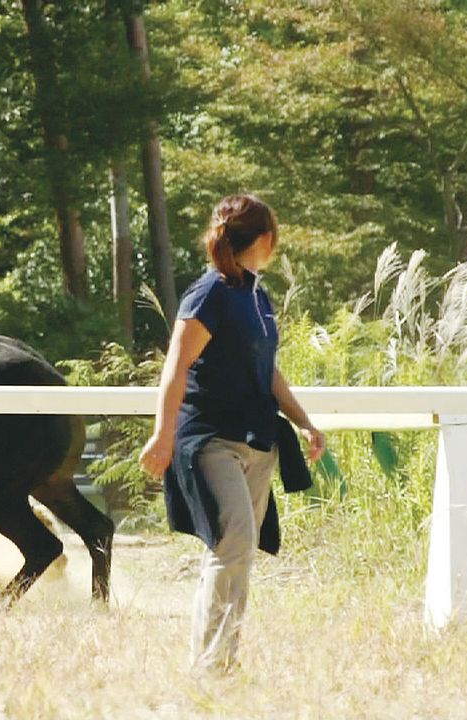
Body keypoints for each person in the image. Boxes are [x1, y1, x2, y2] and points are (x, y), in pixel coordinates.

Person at [139, 193, 325, 672]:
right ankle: (208, 665)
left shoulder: (256, 294)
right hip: (210, 439)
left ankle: (224, 662)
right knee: (234, 541)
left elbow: (268, 371)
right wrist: (163, 436)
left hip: (259, 440)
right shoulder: (210, 295)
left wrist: (304, 421)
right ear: (264, 239)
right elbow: (176, 367)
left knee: (237, 553)